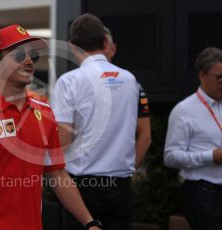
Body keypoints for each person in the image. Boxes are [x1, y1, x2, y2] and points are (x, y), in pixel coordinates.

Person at [0, 24, 102, 230]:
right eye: (19, 54)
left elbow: (57, 174)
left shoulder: (45, 111)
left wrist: (90, 223)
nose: (29, 61)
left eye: (33, 55)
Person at [51, 14, 139, 230]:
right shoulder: (129, 79)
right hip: (122, 186)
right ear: (105, 42)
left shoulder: (70, 81)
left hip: (84, 186)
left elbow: (63, 140)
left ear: (72, 47)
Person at [164, 47, 222, 230]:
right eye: (218, 77)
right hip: (203, 192)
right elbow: (170, 157)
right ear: (202, 75)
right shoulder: (184, 110)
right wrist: (211, 156)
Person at [103, 26, 151, 168]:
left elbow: (145, 136)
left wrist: (129, 169)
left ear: (113, 49)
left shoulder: (132, 83)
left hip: (118, 176)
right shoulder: (73, 82)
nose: (98, 52)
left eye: (103, 46)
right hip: (81, 176)